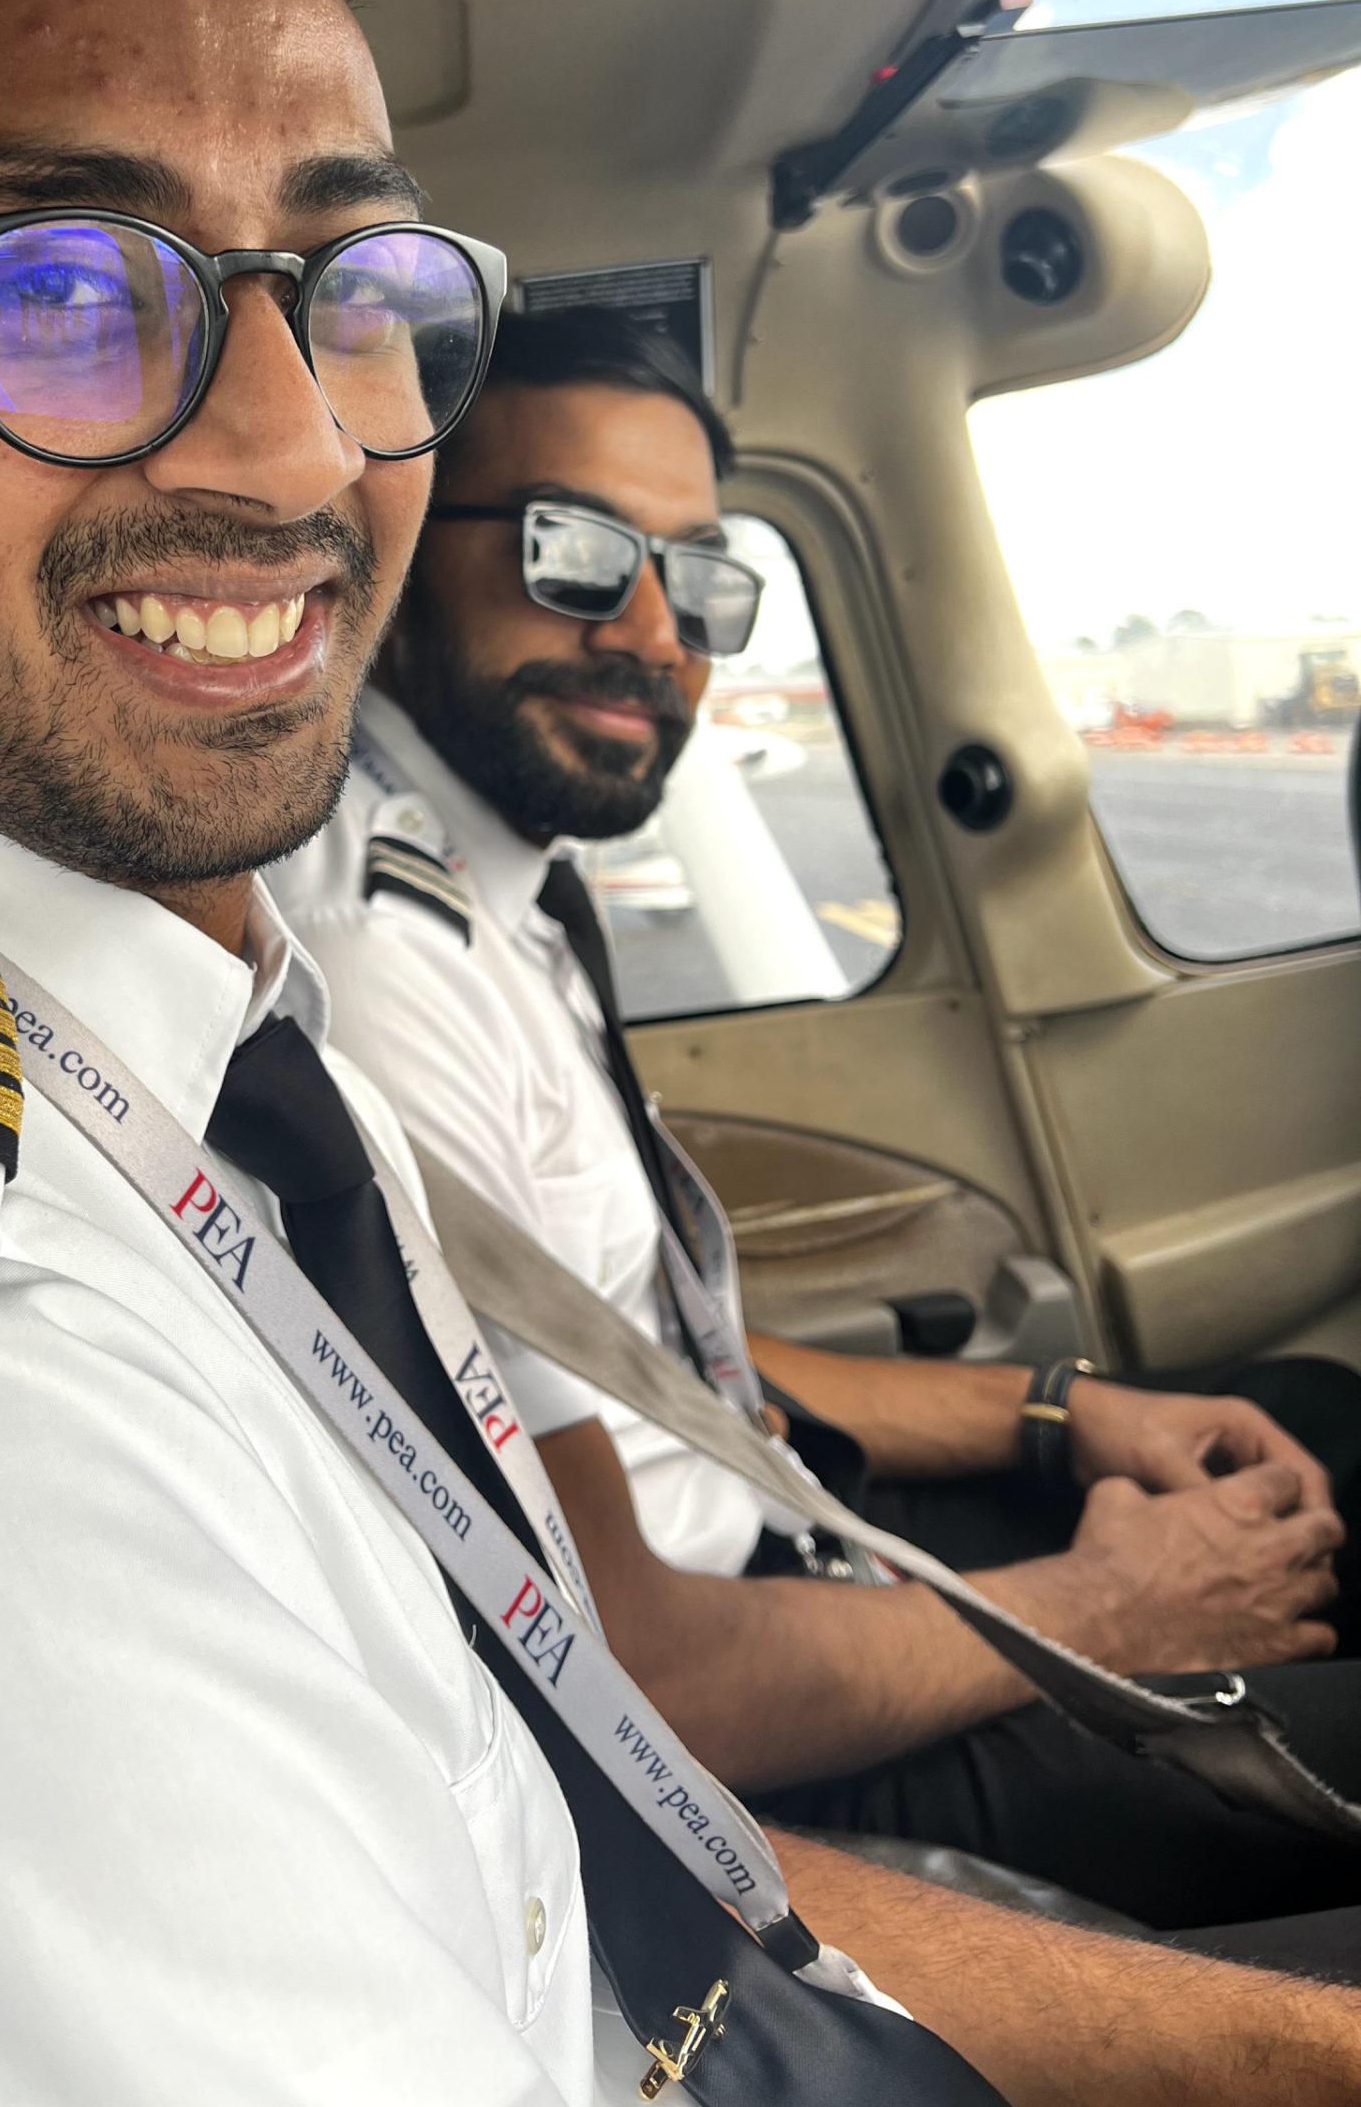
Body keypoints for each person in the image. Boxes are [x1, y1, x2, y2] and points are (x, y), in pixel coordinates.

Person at [0, 0, 1356, 2107]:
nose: (281, 438)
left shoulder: (196, 1068)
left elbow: (580, 1868)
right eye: (48, 282)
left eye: (349, 284)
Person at [271, 300, 1361, 1949]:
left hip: (782, 1550)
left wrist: (1061, 1414)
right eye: (577, 550)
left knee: (1315, 1421)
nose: (656, 632)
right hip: (750, 1746)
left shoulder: (497, 884)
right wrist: (1109, 1608)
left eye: (704, 578)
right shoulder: (381, 969)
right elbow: (636, 1672)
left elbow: (664, 1361)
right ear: (408, 541)